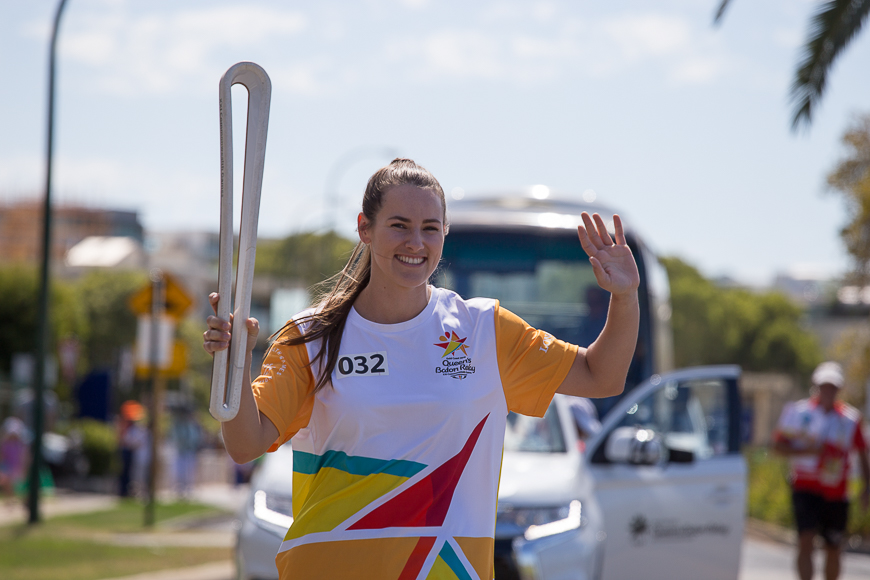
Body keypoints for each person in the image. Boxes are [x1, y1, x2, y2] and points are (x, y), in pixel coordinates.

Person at [203, 158, 640, 579]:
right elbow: (245, 444)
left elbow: (602, 377)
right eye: (399, 226)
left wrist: (624, 297)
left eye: (430, 229)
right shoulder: (312, 337)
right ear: (365, 229)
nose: (416, 242)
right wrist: (234, 361)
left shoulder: (484, 330)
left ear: (444, 235)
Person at [773, 361, 870, 580]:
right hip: (805, 487)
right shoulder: (798, 413)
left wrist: (867, 486)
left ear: (839, 389)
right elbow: (778, 446)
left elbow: (863, 453)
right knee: (805, 540)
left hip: (836, 492)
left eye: (833, 387)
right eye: (824, 386)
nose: (828, 391)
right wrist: (808, 450)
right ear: (815, 386)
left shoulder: (850, 419)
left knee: (833, 548)